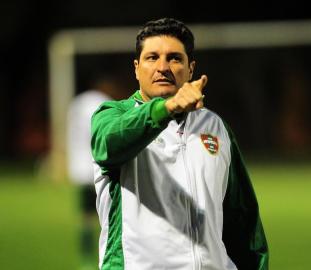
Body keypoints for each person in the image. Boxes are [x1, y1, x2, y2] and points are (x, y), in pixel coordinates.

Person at [91, 18, 269, 270]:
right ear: (136, 68)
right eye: (152, 57)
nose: (163, 67)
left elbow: (242, 218)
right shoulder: (113, 115)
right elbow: (108, 143)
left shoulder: (215, 127)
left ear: (191, 69)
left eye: (174, 58)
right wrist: (167, 108)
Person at [67, 76, 124, 270]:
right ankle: (108, 256)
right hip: (98, 166)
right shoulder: (103, 103)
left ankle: (85, 259)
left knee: (86, 217)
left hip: (78, 166)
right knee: (110, 217)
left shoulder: (77, 103)